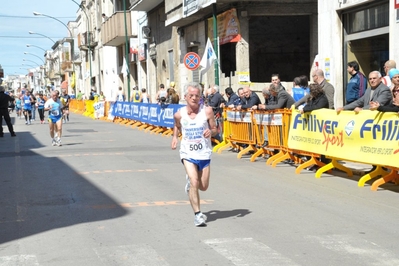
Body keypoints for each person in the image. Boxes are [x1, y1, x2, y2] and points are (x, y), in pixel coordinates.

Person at [171, 82, 217, 227]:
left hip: (203, 152)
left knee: (203, 186)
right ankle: (198, 215)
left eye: (197, 95)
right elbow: (177, 125)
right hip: (187, 152)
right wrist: (174, 137)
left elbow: (215, 128)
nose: (194, 98)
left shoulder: (207, 111)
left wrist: (211, 132)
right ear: (185, 97)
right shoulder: (179, 114)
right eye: (191, 95)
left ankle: (191, 186)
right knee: (194, 181)